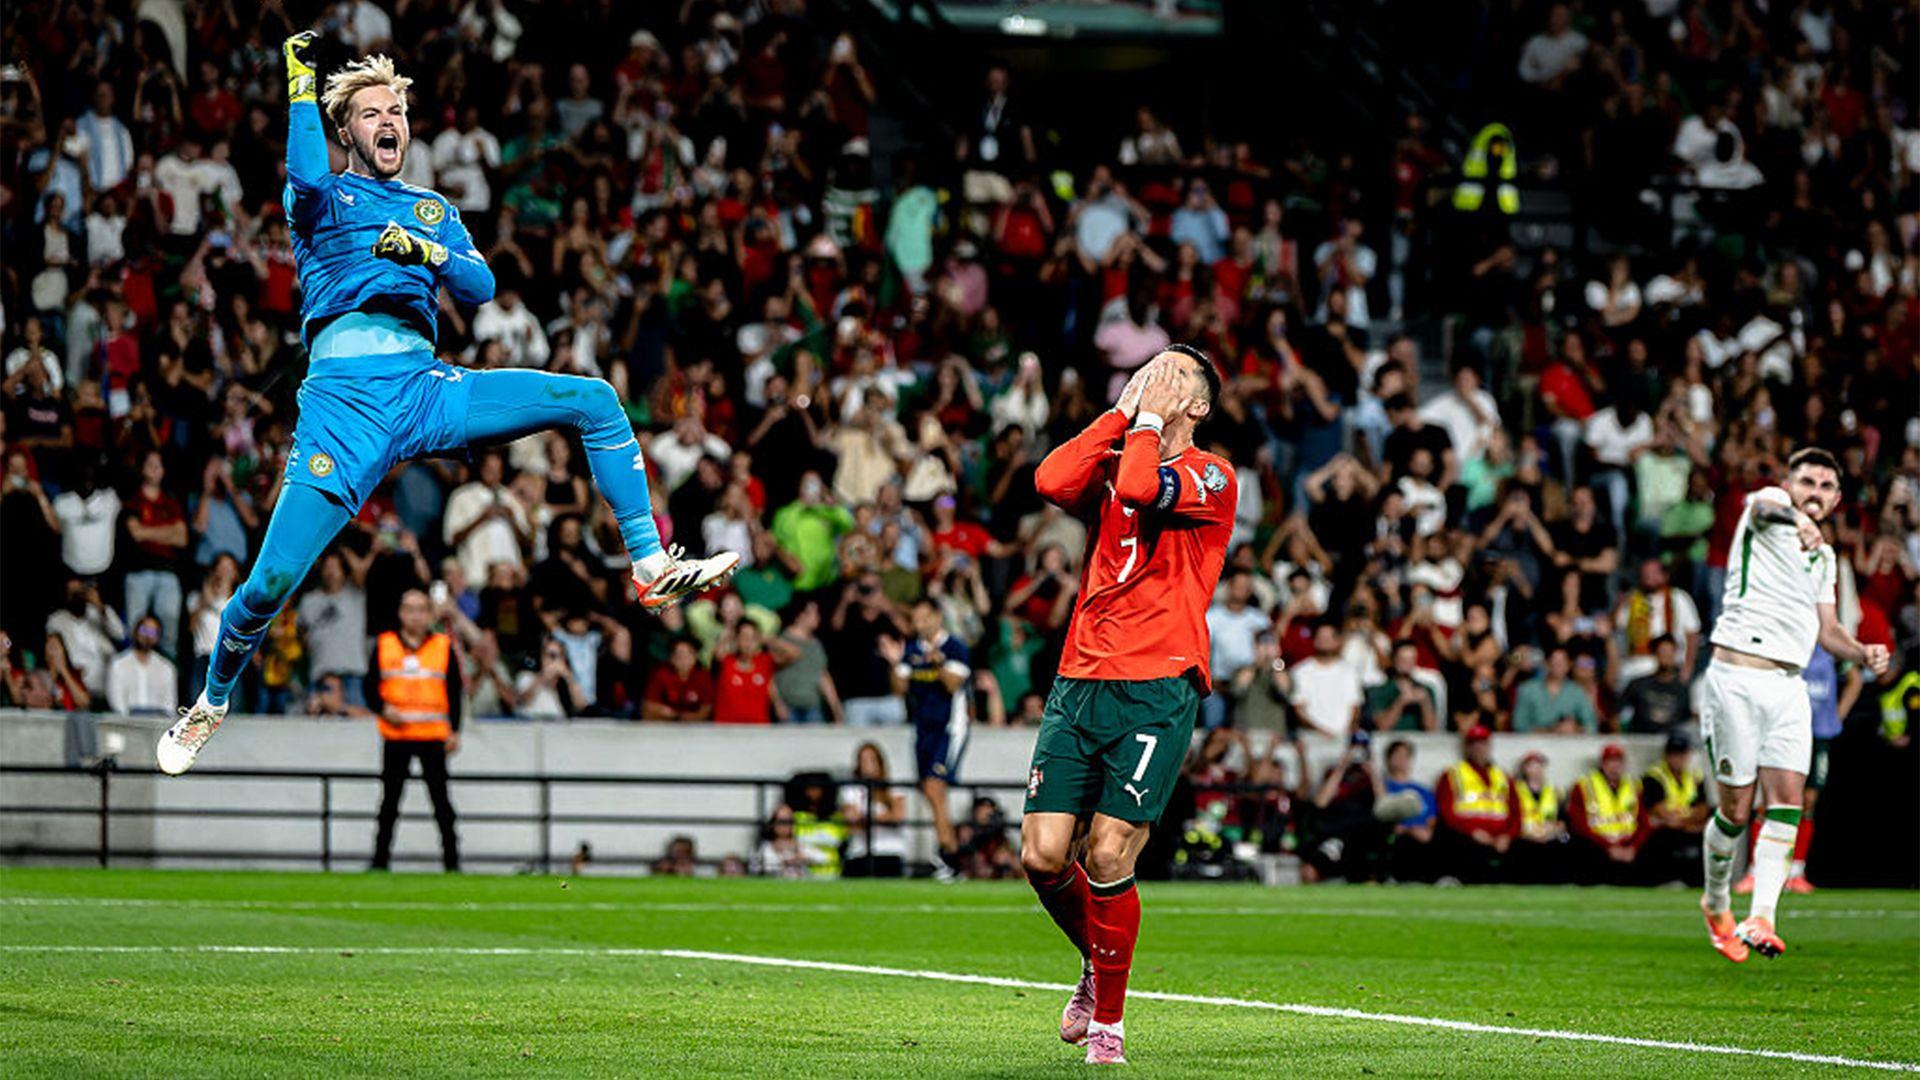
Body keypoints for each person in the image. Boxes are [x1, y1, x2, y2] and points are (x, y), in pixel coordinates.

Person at [156, 36, 738, 776]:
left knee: (594, 399)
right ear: (346, 132)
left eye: (396, 111)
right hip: (343, 409)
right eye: (372, 113)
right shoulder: (323, 198)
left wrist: (424, 253)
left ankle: (649, 563)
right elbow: (301, 169)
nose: (389, 121)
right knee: (268, 585)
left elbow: (480, 285)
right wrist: (300, 83)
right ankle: (211, 701)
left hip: (425, 389)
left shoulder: (429, 209)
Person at [1019, 346, 1234, 1065]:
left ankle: (1108, 1024)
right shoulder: (1118, 454)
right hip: (1079, 677)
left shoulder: (1212, 475)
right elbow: (1051, 479)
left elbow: (1143, 486)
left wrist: (1142, 421)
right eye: (1149, 368)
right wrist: (1121, 413)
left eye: (1171, 374)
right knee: (1042, 855)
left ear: (1197, 406)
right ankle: (1096, 958)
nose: (1153, 378)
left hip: (1158, 683)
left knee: (1108, 850)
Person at [1697, 448, 1890, 962]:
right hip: (1737, 678)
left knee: (1788, 800)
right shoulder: (1770, 509)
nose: (1815, 493)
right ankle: (1716, 903)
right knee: (1736, 810)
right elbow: (1765, 508)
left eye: (1826, 487)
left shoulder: (1824, 558)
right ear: (1789, 484)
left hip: (1789, 686)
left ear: (1837, 498)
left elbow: (1828, 630)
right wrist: (1797, 520)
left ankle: (1762, 916)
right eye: (1807, 481)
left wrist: (1862, 652)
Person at [368, 589, 462, 871]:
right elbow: (369, 687)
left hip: (432, 735)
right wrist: (384, 709)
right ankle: (380, 861)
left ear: (430, 614)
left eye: (421, 610)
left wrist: (455, 730)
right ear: (400, 613)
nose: (415, 616)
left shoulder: (443, 646)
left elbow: (455, 691)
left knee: (442, 803)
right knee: (389, 802)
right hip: (396, 735)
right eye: (409, 609)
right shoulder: (385, 644)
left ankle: (452, 863)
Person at [884, 598, 971, 880]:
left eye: (924, 618)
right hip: (923, 727)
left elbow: (953, 684)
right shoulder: (912, 650)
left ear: (937, 616)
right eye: (916, 619)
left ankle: (948, 854)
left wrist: (938, 661)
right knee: (930, 790)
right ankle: (950, 852)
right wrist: (895, 663)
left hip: (949, 727)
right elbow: (898, 689)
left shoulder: (954, 647)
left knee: (934, 787)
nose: (919, 624)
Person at [1433, 725, 1520, 882]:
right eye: (1474, 744)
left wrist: (1507, 836)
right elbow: (1446, 811)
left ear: (1489, 746)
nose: (1479, 748)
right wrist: (1472, 831)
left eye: (1483, 743)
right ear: (1467, 747)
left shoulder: (1503, 776)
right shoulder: (1453, 774)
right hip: (1467, 835)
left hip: (1500, 837)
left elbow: (1516, 812)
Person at [1566, 743, 1642, 884]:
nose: (1614, 766)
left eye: (1618, 762)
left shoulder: (1634, 785)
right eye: (1610, 762)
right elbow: (1578, 824)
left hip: (1628, 844)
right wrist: (1608, 847)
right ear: (1602, 764)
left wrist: (1633, 847)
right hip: (1596, 844)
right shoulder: (1584, 785)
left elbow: (1644, 821)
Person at [1639, 733, 1708, 886]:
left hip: (1685, 828)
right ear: (1666, 755)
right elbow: (1660, 812)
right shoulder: (1654, 777)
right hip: (1665, 831)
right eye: (1674, 754)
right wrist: (1691, 819)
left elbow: (1703, 810)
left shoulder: (1695, 776)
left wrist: (1684, 822)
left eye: (1682, 754)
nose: (1678, 758)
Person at [840, 741, 908, 878]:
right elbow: (852, 823)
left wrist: (867, 818)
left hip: (890, 850)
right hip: (859, 851)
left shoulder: (894, 788)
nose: (868, 765)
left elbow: (898, 816)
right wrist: (883, 817)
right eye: (863, 760)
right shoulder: (850, 790)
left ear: (880, 762)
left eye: (871, 760)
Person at [105, 616, 177, 715]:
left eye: (152, 632)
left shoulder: (167, 668)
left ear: (158, 637)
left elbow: (170, 705)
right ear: (135, 632)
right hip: (125, 722)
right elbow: (117, 702)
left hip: (158, 722)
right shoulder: (118, 664)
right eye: (144, 630)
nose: (147, 636)